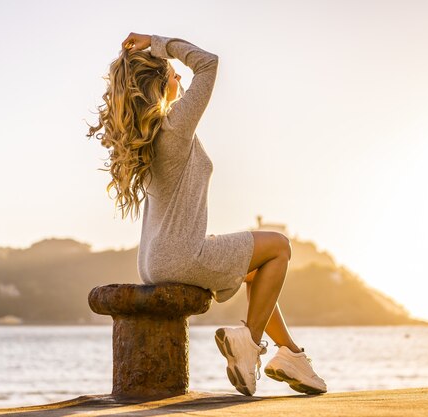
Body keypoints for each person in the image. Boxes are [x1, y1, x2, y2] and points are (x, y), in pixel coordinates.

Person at [86, 32, 326, 396]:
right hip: (182, 254)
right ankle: (250, 344)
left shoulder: (147, 135)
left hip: (155, 261)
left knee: (254, 270)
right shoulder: (174, 126)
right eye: (171, 74)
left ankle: (291, 355)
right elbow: (208, 63)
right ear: (156, 83)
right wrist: (156, 42)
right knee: (279, 246)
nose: (178, 78)